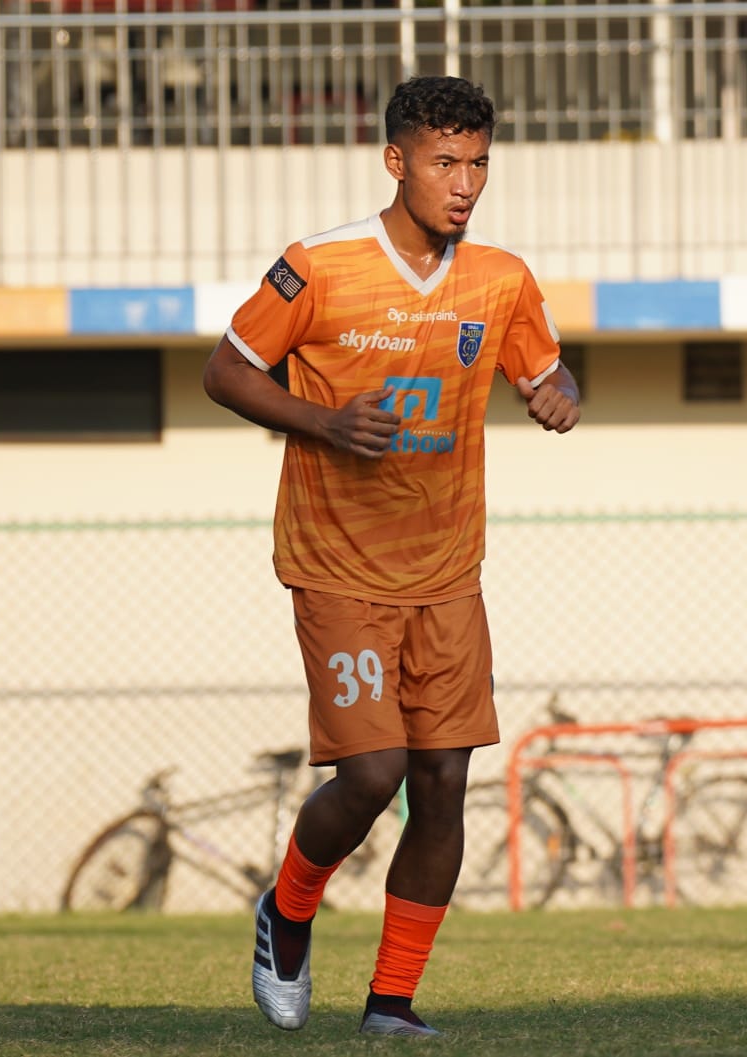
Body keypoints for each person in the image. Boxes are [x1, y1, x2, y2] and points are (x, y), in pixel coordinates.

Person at [202, 74, 580, 1038]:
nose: (464, 183)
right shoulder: (318, 266)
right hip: (336, 566)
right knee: (373, 774)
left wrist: (556, 394)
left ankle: (391, 1003)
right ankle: (287, 910)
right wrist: (324, 420)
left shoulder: (500, 278)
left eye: (478, 164)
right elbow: (226, 370)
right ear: (395, 161)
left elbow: (547, 367)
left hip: (448, 573)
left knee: (442, 785)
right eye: (444, 162)